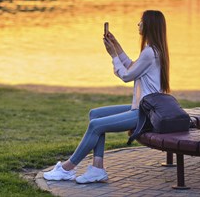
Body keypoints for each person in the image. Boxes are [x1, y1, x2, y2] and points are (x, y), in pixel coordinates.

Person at [43, 10, 170, 184]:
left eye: (141, 21)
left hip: (145, 114)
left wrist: (113, 56)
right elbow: (132, 67)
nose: (138, 24)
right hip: (141, 108)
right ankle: (97, 168)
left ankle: (67, 168)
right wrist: (116, 46)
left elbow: (126, 76)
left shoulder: (150, 52)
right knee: (96, 114)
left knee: (96, 125)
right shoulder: (153, 51)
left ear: (149, 25)